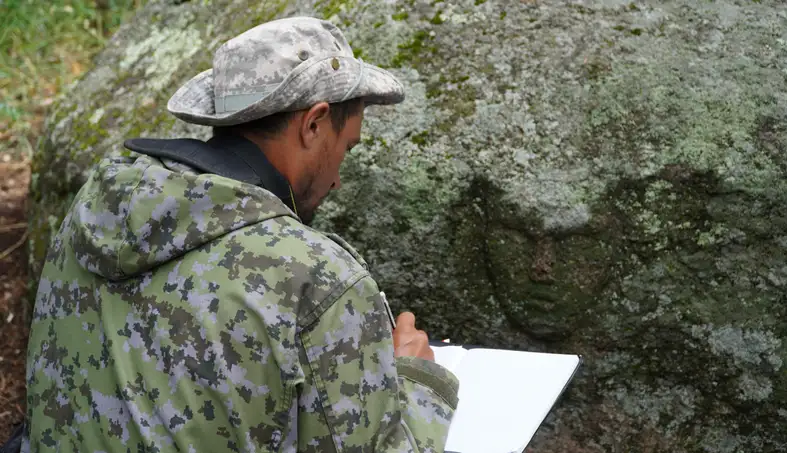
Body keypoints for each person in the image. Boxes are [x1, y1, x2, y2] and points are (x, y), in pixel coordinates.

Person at [20, 16, 459, 453]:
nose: (338, 180)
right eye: (347, 148)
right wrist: (415, 379)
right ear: (314, 123)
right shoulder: (319, 280)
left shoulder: (92, 211)